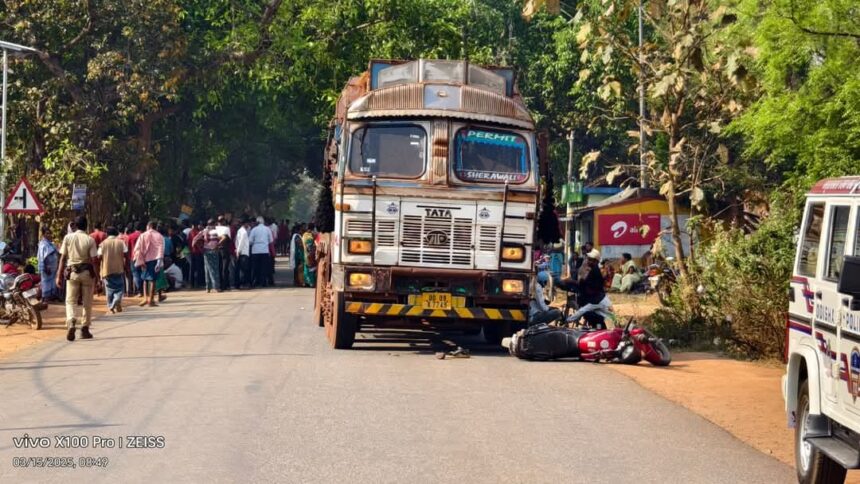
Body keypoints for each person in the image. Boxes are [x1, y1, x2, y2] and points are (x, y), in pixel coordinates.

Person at [56, 215, 99, 341]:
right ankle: (85, 328)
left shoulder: (68, 238)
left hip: (72, 272)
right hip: (86, 273)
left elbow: (62, 258)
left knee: (70, 300)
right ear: (86, 226)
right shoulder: (89, 239)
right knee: (87, 302)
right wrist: (97, 278)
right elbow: (94, 260)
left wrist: (58, 275)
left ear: (74, 225)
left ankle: (71, 321)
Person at [566, 249, 613, 327]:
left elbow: (587, 284)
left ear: (596, 261)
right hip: (599, 299)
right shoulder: (593, 270)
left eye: (591, 260)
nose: (588, 261)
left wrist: (573, 282)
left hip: (597, 300)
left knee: (585, 312)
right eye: (588, 259)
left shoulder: (595, 271)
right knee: (588, 312)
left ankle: (567, 320)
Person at [134, 221, 164, 307]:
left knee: (144, 279)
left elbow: (137, 249)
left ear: (149, 226)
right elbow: (161, 249)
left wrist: (140, 260)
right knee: (153, 280)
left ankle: (145, 298)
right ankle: (151, 300)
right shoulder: (159, 236)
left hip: (144, 259)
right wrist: (159, 261)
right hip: (155, 259)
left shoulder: (142, 235)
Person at [99, 226, 128, 313]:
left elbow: (98, 256)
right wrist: (126, 267)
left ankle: (111, 306)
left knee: (109, 290)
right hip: (119, 269)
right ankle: (116, 300)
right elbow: (126, 254)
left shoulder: (103, 244)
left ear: (107, 234)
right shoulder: (121, 242)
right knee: (120, 288)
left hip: (106, 270)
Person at [196, 219, 222, 292]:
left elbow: (195, 240)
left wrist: (201, 249)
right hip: (213, 250)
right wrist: (217, 246)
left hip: (206, 251)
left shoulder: (204, 231)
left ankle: (208, 287)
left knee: (207, 269)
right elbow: (219, 240)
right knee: (214, 269)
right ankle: (216, 287)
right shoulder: (215, 231)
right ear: (214, 224)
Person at [249, 216, 274, 288]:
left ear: (257, 222)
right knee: (264, 267)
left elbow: (250, 241)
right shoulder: (267, 229)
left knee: (255, 267)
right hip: (264, 250)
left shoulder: (254, 229)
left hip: (255, 251)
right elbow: (271, 240)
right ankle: (263, 282)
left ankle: (254, 282)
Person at [37, 227, 60, 302]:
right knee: (46, 281)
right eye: (47, 233)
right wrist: (46, 266)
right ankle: (45, 297)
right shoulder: (43, 244)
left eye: (50, 233)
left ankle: (50, 296)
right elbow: (43, 256)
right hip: (47, 266)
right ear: (43, 234)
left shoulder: (50, 243)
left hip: (53, 267)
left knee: (51, 281)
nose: (49, 235)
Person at [127, 222, 145, 297]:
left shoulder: (130, 236)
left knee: (136, 274)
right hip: (144, 257)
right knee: (143, 273)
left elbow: (128, 248)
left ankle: (140, 291)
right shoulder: (144, 236)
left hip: (133, 257)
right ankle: (145, 290)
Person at [234, 217, 251, 289]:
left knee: (241, 269)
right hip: (243, 252)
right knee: (243, 269)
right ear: (245, 223)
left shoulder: (240, 231)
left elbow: (237, 241)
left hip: (241, 251)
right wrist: (238, 251)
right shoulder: (243, 232)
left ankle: (240, 284)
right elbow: (241, 242)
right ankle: (242, 284)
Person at [216, 216, 232, 290]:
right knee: (225, 268)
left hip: (217, 249)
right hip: (225, 249)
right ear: (223, 221)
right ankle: (225, 285)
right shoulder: (226, 229)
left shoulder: (215, 228)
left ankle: (220, 284)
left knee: (220, 267)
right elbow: (229, 238)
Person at [189, 221, 205, 289]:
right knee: (198, 268)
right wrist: (201, 250)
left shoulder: (191, 232)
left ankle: (192, 283)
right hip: (196, 252)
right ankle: (198, 283)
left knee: (193, 268)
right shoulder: (194, 232)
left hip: (193, 251)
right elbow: (196, 242)